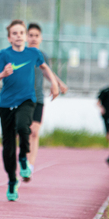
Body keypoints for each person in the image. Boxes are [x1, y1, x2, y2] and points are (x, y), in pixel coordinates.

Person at [0, 19, 59, 201]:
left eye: (21, 33)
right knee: (8, 147)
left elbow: (45, 68)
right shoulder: (3, 55)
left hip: (27, 100)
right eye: (15, 33)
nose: (19, 36)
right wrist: (3, 74)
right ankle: (12, 180)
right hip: (6, 105)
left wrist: (54, 84)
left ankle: (24, 159)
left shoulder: (34, 53)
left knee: (23, 127)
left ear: (25, 36)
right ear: (9, 37)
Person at [26, 23, 68, 181]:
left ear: (41, 38)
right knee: (25, 133)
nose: (34, 38)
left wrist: (58, 83)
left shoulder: (42, 55)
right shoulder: (20, 54)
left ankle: (30, 165)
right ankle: (23, 158)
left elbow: (48, 72)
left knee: (35, 132)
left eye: (36, 36)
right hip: (22, 99)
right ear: (26, 37)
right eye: (31, 35)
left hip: (38, 98)